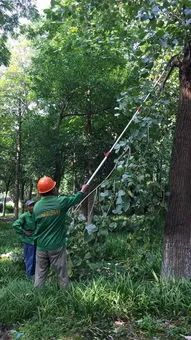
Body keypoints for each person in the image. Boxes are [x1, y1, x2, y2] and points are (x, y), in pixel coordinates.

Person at [33, 176, 88, 288]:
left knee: (40, 274)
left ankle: (37, 296)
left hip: (41, 246)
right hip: (56, 246)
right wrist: (82, 190)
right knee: (62, 272)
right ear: (53, 189)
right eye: (54, 186)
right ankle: (65, 296)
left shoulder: (36, 206)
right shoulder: (60, 202)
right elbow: (75, 199)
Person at [12, 199, 36, 279]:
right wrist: (24, 232)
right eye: (30, 205)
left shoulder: (37, 214)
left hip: (37, 240)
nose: (32, 207)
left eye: (33, 205)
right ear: (27, 207)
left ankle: (35, 276)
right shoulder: (24, 216)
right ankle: (28, 276)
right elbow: (15, 225)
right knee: (30, 258)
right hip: (28, 241)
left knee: (36, 259)